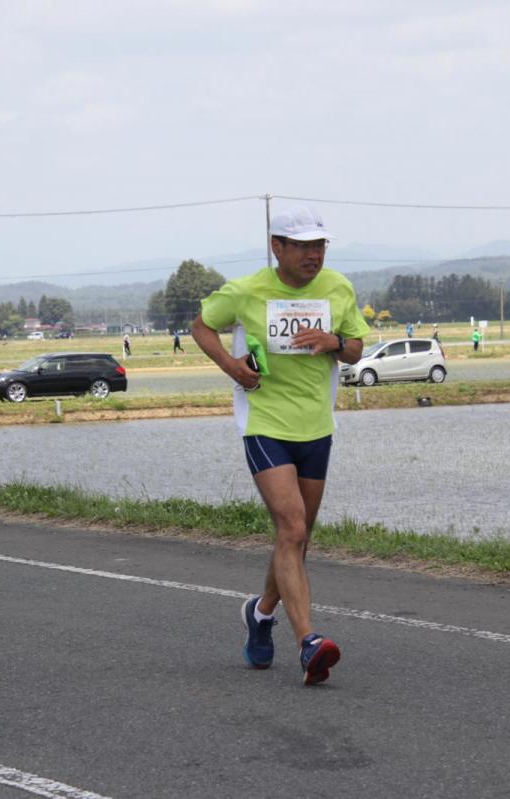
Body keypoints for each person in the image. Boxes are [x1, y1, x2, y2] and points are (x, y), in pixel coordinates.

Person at [191, 205, 369, 686]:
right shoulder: (247, 291)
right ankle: (309, 641)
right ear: (278, 248)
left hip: (316, 424)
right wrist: (232, 366)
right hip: (264, 421)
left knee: (298, 538)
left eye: (321, 246)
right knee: (290, 526)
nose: (315, 255)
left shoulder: (338, 288)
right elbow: (200, 325)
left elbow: (356, 348)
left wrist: (332, 339)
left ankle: (262, 612)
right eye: (305, 246)